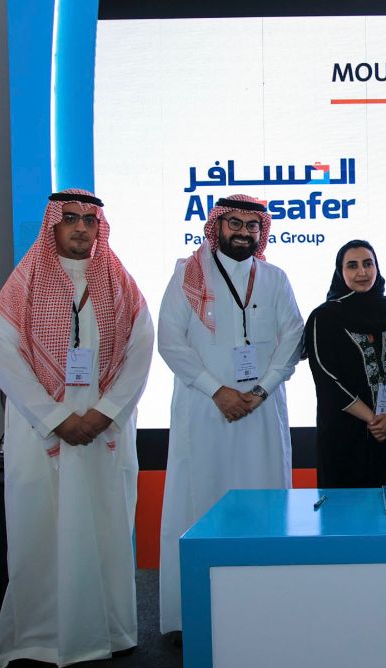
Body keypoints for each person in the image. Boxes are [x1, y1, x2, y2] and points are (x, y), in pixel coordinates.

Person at [0, 190, 154, 668]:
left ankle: (111, 631)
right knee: (40, 533)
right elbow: (5, 358)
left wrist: (105, 412)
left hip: (104, 433)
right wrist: (57, 418)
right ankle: (38, 639)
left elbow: (140, 352)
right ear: (52, 226)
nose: (81, 227)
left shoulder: (119, 284)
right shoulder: (24, 284)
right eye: (70, 219)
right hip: (42, 433)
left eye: (89, 219)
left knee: (105, 531)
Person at [157, 195, 304, 635]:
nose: (243, 232)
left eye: (251, 225)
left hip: (261, 412)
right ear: (217, 226)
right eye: (234, 223)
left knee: (263, 505)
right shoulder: (188, 275)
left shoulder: (275, 278)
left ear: (261, 231)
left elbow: (293, 338)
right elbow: (170, 341)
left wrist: (259, 390)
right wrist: (216, 390)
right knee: (199, 504)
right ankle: (191, 619)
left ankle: (263, 613)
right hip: (204, 411)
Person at [305, 240, 386, 487]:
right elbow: (327, 377)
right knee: (348, 507)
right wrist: (373, 420)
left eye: (368, 264)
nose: (362, 272)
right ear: (340, 271)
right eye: (352, 266)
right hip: (345, 435)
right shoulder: (324, 317)